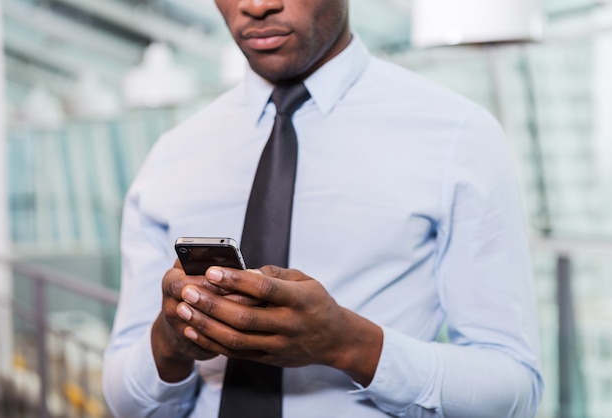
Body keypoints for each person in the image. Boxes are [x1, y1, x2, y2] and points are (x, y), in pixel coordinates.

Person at [102, 0, 544, 416]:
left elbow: (514, 390)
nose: (256, 6)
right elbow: (125, 400)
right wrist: (169, 344)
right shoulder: (171, 155)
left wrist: (350, 345)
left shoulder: (458, 136)